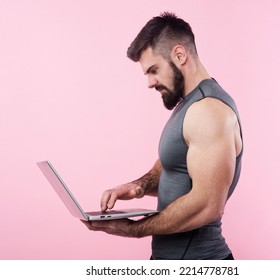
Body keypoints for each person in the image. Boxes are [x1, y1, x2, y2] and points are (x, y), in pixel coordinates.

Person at [82, 11, 243, 260]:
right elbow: (175, 165)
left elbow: (209, 205)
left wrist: (134, 229)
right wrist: (138, 186)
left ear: (179, 55)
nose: (149, 82)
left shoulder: (209, 111)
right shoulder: (189, 104)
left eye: (154, 70)